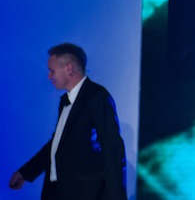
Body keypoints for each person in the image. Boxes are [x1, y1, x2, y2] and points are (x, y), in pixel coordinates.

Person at [8, 43, 127, 199]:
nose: (49, 76)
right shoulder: (66, 101)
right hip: (57, 191)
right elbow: (57, 144)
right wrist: (26, 172)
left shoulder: (97, 96)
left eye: (52, 71)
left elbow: (113, 150)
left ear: (69, 68)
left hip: (83, 193)